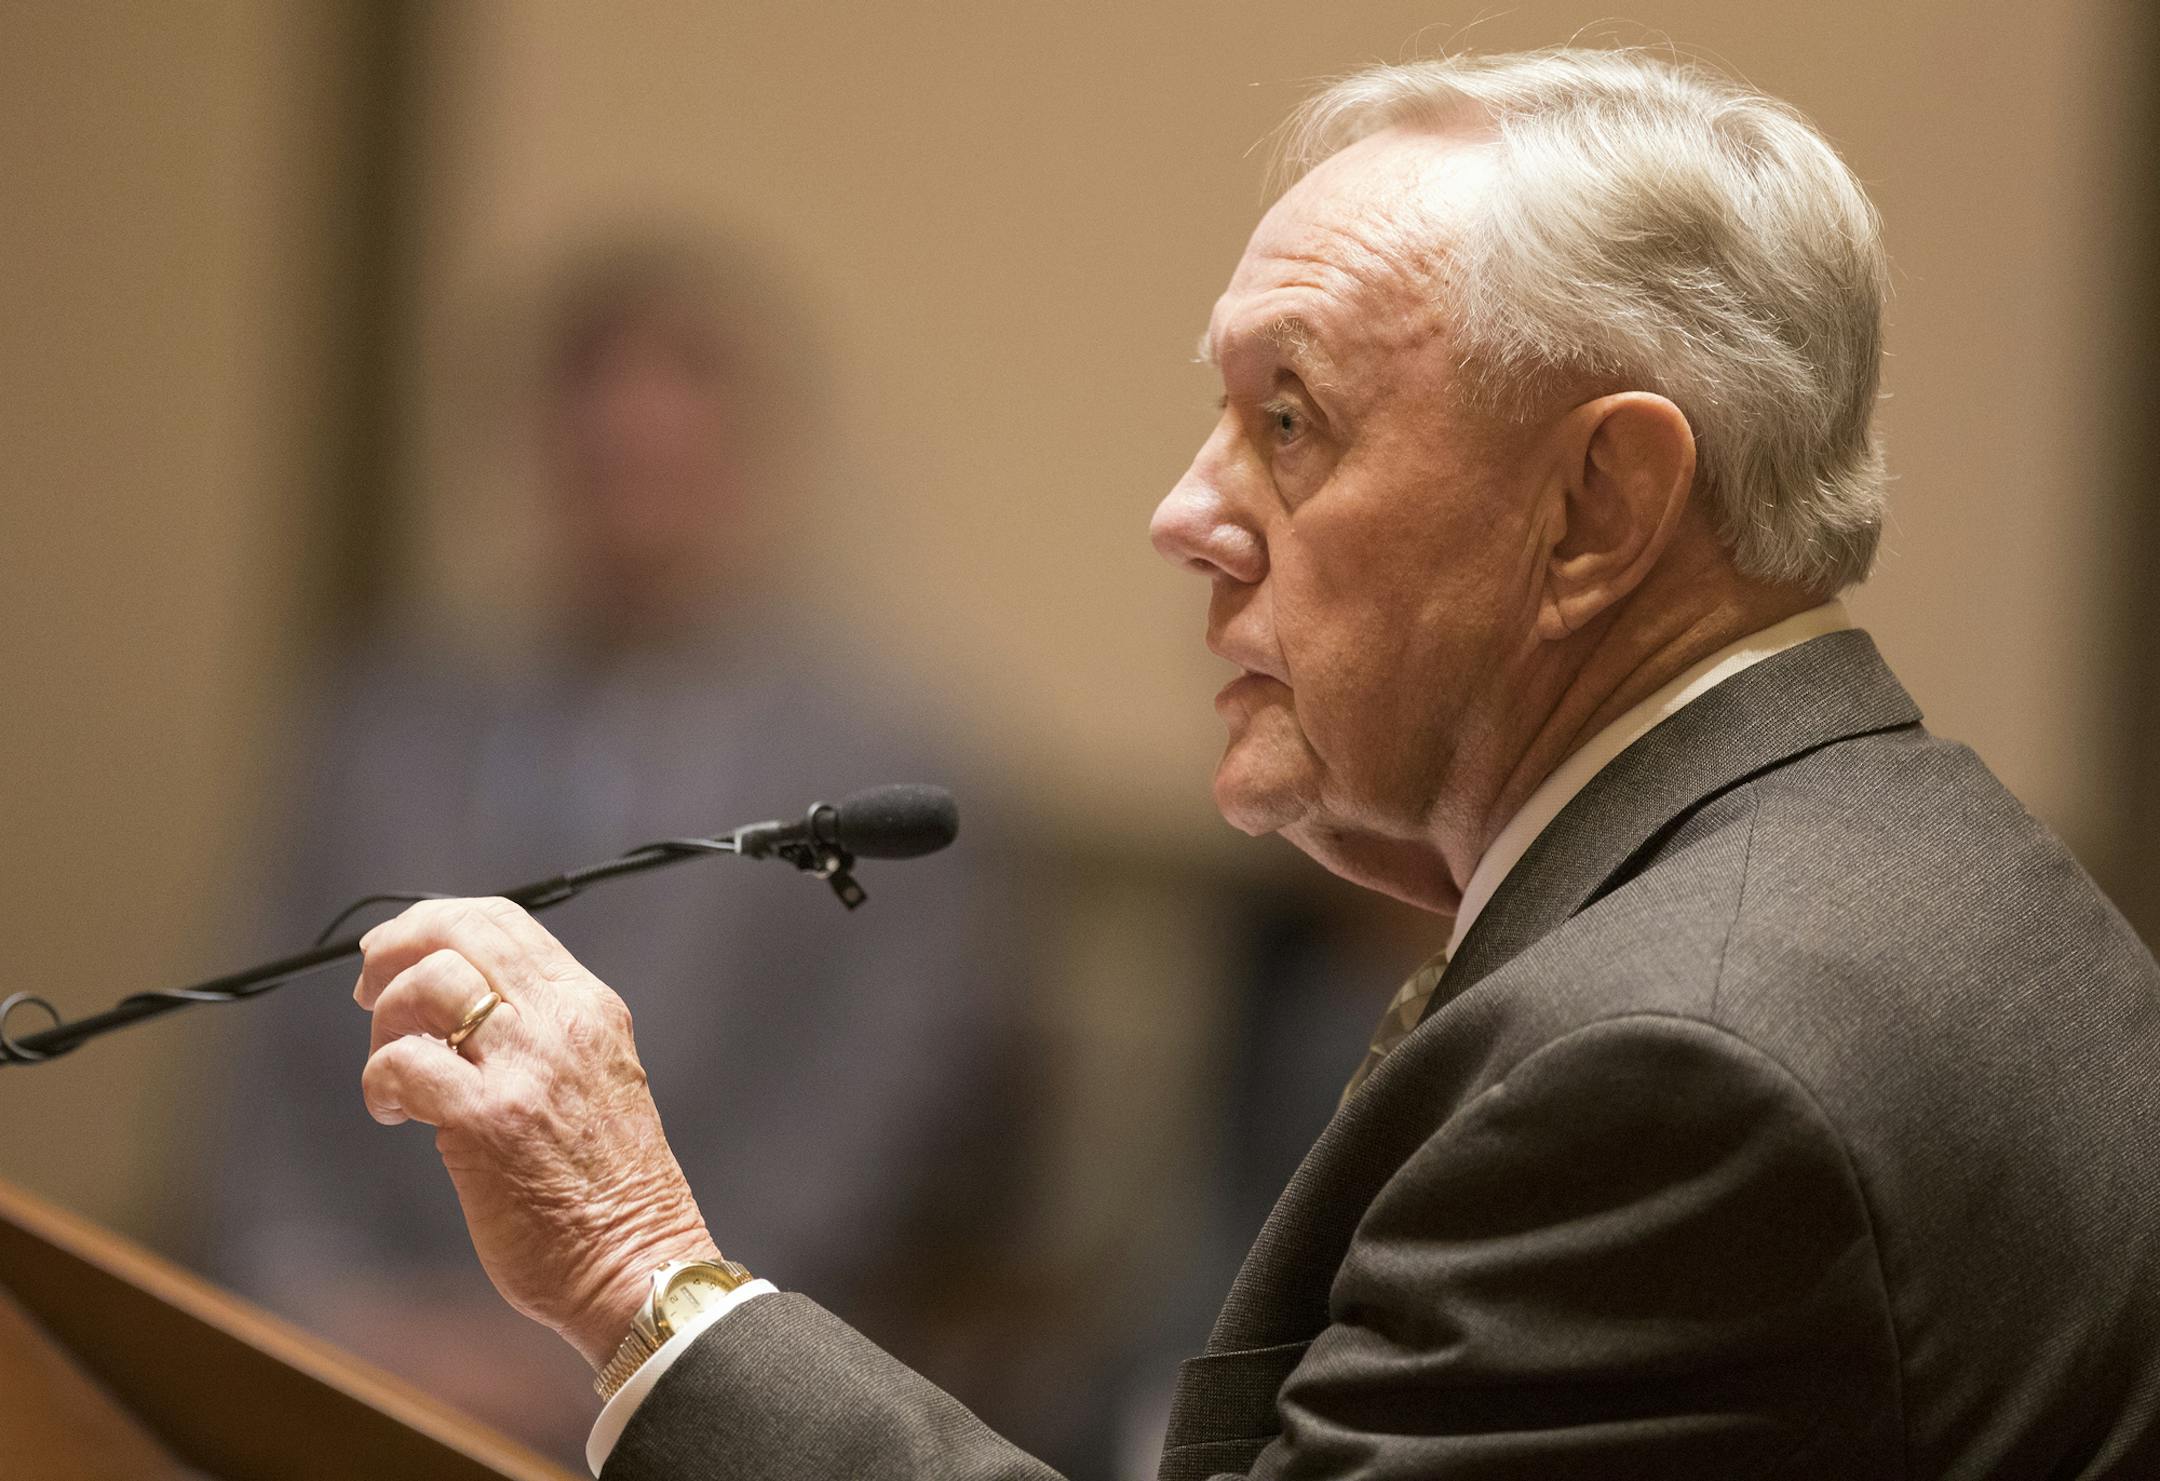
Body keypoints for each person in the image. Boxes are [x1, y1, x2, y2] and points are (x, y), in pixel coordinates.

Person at [347, 48, 2160, 1479]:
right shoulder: (1918, 850)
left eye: (1289, 420)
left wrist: (644, 1280)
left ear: (1600, 507)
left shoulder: (1678, 1069)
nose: (1186, 511)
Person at [203, 235, 1021, 1460]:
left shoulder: (876, 764)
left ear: (746, 447)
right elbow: (260, 1096)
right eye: (601, 429)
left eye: (673, 427)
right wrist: (338, 1319)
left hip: (686, 1386)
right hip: (344, 1363)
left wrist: (603, 1331)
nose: (633, 461)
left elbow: (858, 1148)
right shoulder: (384, 719)